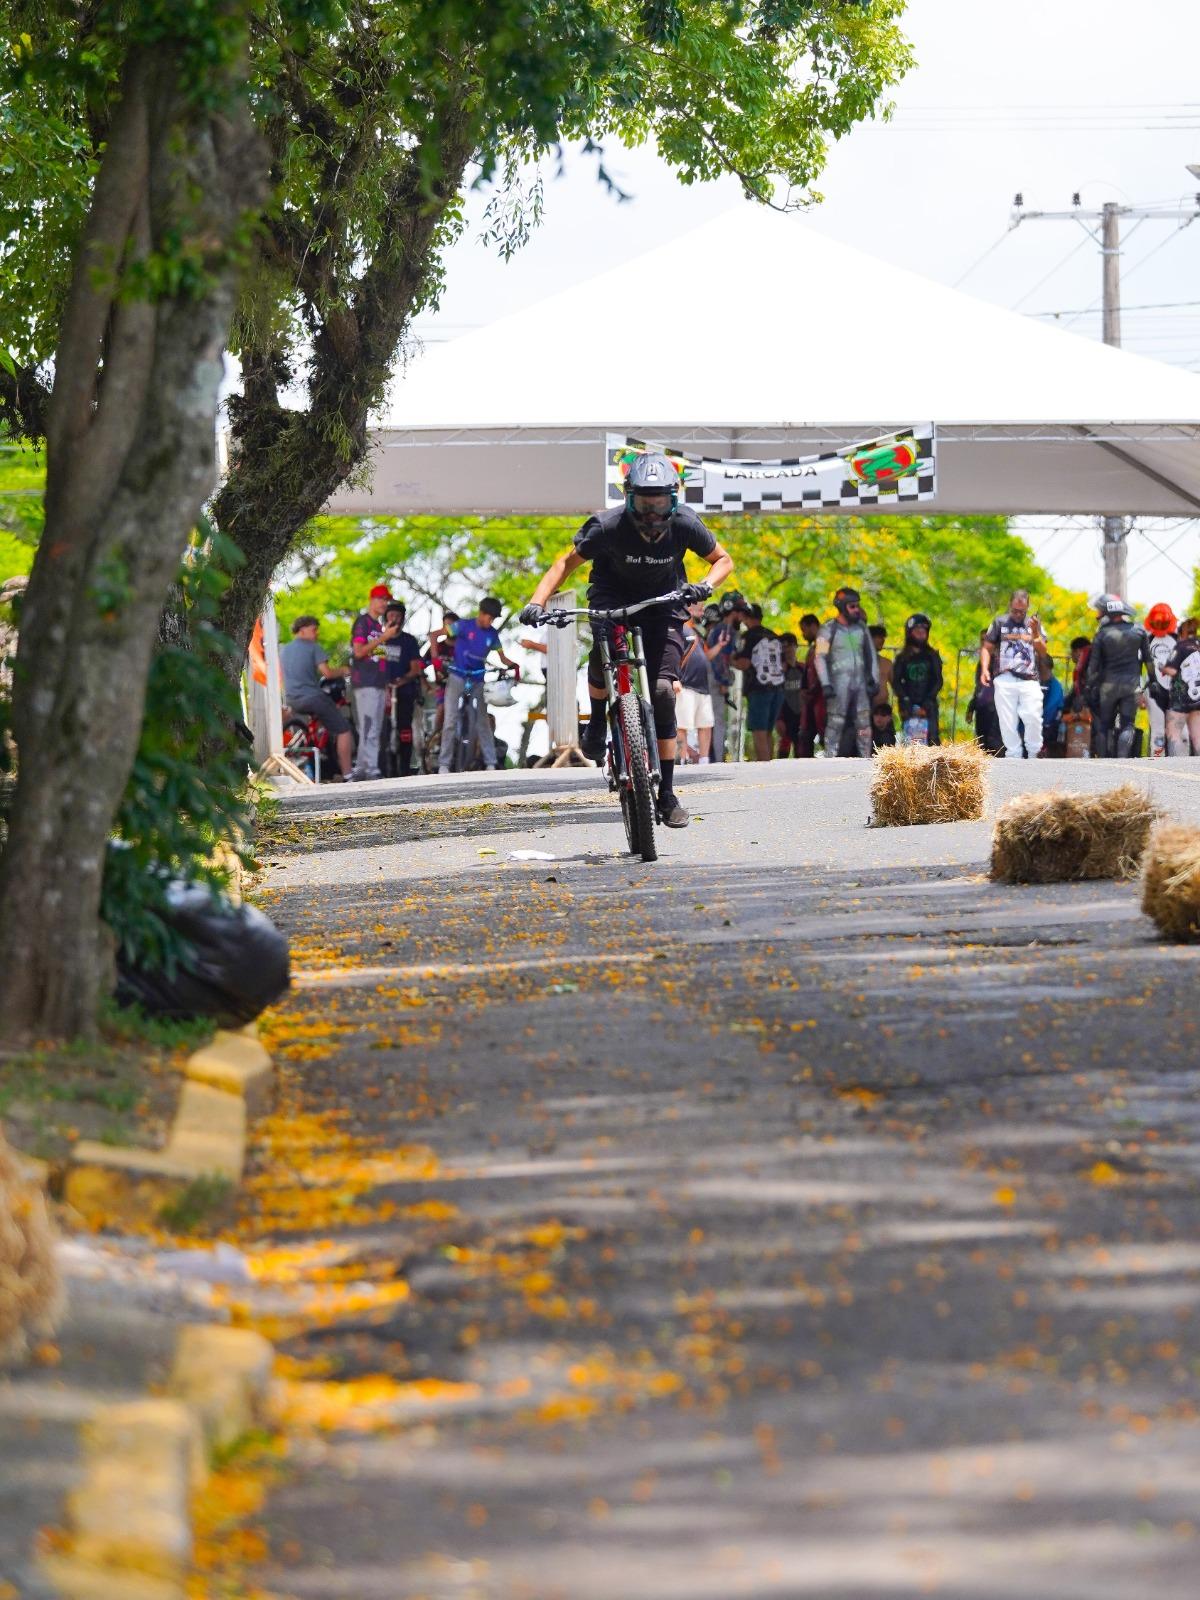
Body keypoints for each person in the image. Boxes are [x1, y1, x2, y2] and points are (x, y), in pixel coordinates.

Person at [517, 451, 733, 828]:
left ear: (673, 500)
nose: (652, 512)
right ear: (629, 497)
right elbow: (563, 565)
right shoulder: (607, 525)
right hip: (612, 598)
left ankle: (666, 795)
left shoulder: (685, 523)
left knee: (664, 693)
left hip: (663, 604)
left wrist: (705, 586)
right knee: (603, 649)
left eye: (660, 502)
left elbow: (723, 560)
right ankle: (598, 721)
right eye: (644, 502)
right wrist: (537, 602)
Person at [432, 597, 520, 773]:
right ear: (481, 613)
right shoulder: (463, 626)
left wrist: (514, 666)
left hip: (478, 678)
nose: (491, 621)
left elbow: (502, 657)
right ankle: (444, 763)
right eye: (489, 617)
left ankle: (490, 762)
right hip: (457, 675)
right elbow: (434, 635)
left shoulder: (492, 635)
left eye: (494, 619)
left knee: (482, 720)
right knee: (450, 719)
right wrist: (435, 659)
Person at [279, 614, 353, 780]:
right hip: (312, 697)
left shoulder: (284, 650)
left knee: (311, 723)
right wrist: (344, 670)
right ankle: (348, 774)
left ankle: (311, 746)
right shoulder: (313, 647)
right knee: (344, 730)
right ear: (303, 630)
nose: (317, 633)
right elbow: (327, 672)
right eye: (314, 629)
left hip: (291, 699)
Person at [980, 589, 1049, 760]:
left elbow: (1043, 651)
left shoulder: (1034, 624)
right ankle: (1013, 755)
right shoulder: (999, 622)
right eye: (1015, 610)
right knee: (1007, 720)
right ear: (1010, 605)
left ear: (1027, 607)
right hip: (1005, 678)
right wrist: (984, 669)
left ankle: (1034, 752)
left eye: (1022, 611)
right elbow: (987, 648)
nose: (1018, 614)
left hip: (1029, 679)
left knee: (1033, 715)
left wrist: (1034, 633)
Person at [813, 586, 878, 759]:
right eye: (852, 606)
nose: (857, 610)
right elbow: (819, 657)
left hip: (860, 683)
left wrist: (874, 679)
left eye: (857, 606)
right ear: (842, 607)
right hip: (838, 682)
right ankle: (830, 756)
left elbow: (871, 654)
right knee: (836, 720)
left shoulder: (862, 629)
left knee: (864, 721)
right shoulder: (827, 629)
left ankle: (866, 757)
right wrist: (825, 683)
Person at [349, 583, 403, 780]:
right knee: (369, 727)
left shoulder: (378, 626)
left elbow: (378, 656)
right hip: (364, 682)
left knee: (374, 727)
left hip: (378, 683)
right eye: (381, 599)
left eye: (386, 600)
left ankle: (363, 769)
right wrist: (384, 638)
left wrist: (387, 686)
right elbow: (359, 651)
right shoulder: (363, 622)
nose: (384, 603)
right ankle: (370, 768)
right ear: (371, 600)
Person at [1084, 593, 1145, 759]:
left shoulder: (1102, 634)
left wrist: (1088, 687)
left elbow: (1093, 666)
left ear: (1108, 612)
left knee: (1104, 726)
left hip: (1108, 687)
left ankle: (1105, 762)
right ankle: (1122, 762)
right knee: (1127, 725)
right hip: (1131, 685)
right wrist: (1151, 682)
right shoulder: (1138, 631)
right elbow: (1149, 660)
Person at [732, 604, 787, 761]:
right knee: (769, 730)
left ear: (747, 617)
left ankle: (763, 769)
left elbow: (744, 663)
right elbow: (783, 666)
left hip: (759, 689)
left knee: (759, 731)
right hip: (778, 689)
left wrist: (730, 660)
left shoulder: (748, 636)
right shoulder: (774, 635)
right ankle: (770, 765)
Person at [381, 601, 425, 777]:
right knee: (383, 729)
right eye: (391, 616)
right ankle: (386, 768)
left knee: (404, 730)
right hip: (383, 693)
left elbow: (416, 668)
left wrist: (402, 681)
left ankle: (405, 768)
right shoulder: (380, 640)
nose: (395, 619)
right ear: (386, 618)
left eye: (398, 616)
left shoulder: (409, 641)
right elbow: (377, 664)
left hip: (404, 692)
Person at [705, 592, 750, 762]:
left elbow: (727, 659)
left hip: (714, 678)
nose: (742, 616)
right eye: (740, 612)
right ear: (734, 612)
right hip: (715, 680)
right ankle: (715, 759)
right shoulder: (725, 631)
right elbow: (720, 658)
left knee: (715, 720)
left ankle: (713, 756)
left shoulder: (722, 630)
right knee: (718, 722)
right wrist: (723, 681)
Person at [891, 613, 943, 745]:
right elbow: (896, 682)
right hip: (908, 705)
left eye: (924, 630)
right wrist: (906, 700)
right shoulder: (902, 657)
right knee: (911, 742)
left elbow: (938, 681)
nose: (921, 633)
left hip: (929, 705)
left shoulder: (932, 655)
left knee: (932, 740)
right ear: (910, 633)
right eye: (917, 630)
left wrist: (926, 702)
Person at [676, 600, 715, 762]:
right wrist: (674, 678)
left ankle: (704, 760)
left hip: (703, 687)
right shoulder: (680, 629)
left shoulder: (697, 632)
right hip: (685, 685)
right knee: (682, 725)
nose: (703, 609)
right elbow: (675, 656)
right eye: (700, 606)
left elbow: (707, 656)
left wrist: (719, 645)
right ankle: (681, 759)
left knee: (705, 724)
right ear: (688, 607)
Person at [1142, 602, 1179, 757]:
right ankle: (1158, 767)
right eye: (1156, 623)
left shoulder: (1178, 639)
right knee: (1157, 732)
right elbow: (1138, 665)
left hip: (1177, 691)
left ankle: (1181, 768)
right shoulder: (1146, 639)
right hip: (1153, 690)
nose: (1159, 625)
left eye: (1162, 623)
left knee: (1179, 733)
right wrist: (1139, 691)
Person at [1161, 615, 1200, 756]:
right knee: (1198, 736)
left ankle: (1176, 766)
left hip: (1181, 697)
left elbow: (1171, 670)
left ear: (1182, 632)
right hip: (1198, 697)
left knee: (1174, 733)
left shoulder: (1181, 646)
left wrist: (1162, 668)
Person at [966, 627, 1004, 754]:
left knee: (996, 748)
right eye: (982, 640)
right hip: (982, 712)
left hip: (997, 713)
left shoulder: (1002, 663)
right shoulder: (982, 664)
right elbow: (979, 689)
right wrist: (971, 708)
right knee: (982, 747)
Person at [796, 613, 823, 757]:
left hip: (822, 699)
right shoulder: (812, 649)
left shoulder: (824, 643)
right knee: (805, 736)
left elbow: (824, 671)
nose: (803, 634)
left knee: (825, 736)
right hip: (811, 701)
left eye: (804, 629)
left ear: (813, 626)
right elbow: (808, 673)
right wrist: (804, 690)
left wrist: (811, 691)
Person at [776, 633, 806, 759]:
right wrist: (778, 719)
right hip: (785, 714)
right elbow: (776, 695)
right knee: (784, 747)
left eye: (790, 646)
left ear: (796, 646)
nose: (787, 650)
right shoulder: (778, 671)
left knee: (802, 749)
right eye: (783, 647)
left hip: (802, 715)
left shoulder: (803, 668)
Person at [1039, 652, 1065, 753]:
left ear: (1044, 665)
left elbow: (1051, 708)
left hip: (1047, 727)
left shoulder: (1055, 685)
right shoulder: (1035, 683)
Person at [869, 625, 892, 708]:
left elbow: (897, 686)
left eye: (883, 637)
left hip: (881, 711)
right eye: (878, 637)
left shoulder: (887, 663)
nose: (882, 640)